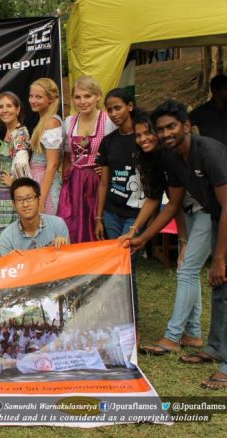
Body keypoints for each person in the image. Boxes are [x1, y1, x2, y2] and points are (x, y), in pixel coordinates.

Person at [125, 100, 227, 389]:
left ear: (186, 126)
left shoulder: (209, 152)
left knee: (221, 279)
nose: (165, 133)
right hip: (215, 215)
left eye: (171, 127)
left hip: (223, 213)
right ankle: (215, 348)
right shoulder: (172, 157)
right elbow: (172, 206)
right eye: (161, 129)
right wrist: (143, 237)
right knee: (220, 288)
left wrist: (220, 258)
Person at [123, 113, 207, 355]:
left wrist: (180, 241)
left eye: (148, 133)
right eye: (138, 135)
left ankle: (172, 337)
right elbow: (156, 198)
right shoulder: (154, 159)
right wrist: (134, 230)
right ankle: (193, 333)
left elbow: (173, 205)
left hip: (205, 209)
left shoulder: (171, 154)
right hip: (188, 210)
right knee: (187, 268)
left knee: (187, 269)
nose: (143, 139)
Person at [94, 88, 144, 322]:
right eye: (110, 109)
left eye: (118, 108)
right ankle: (117, 319)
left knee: (127, 265)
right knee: (115, 266)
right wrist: (99, 217)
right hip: (112, 212)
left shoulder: (143, 138)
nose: (114, 113)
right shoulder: (108, 142)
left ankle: (133, 322)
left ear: (130, 106)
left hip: (137, 213)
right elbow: (104, 182)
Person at [59, 76, 116, 243]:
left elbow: (117, 151)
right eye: (78, 97)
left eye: (87, 96)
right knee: (72, 223)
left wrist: (107, 168)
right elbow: (67, 155)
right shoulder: (69, 122)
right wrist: (66, 179)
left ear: (98, 97)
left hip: (98, 181)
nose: (82, 101)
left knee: (96, 224)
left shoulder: (107, 121)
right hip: (74, 181)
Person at [0, 91, 31, 258]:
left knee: (11, 240)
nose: (4, 110)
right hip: (4, 196)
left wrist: (14, 183)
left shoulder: (19, 134)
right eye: (1, 107)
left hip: (12, 195)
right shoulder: (9, 132)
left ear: (17, 109)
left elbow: (23, 166)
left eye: (9, 106)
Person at [0, 177, 69, 254]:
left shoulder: (58, 225)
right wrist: (11, 259)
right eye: (19, 200)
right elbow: (7, 261)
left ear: (39, 199)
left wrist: (64, 247)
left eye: (29, 198)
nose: (25, 204)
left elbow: (69, 259)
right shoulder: (7, 237)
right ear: (14, 204)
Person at [28, 78, 63, 215]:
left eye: (38, 97)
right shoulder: (44, 121)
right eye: (31, 96)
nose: (33, 100)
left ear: (50, 99)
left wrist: (41, 199)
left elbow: (52, 164)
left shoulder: (51, 123)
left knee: (47, 223)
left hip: (45, 183)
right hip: (37, 180)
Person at [189, 74, 227, 145]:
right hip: (212, 151)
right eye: (226, 89)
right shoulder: (200, 112)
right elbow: (184, 126)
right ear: (216, 91)